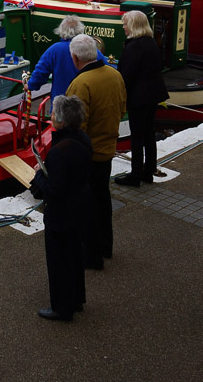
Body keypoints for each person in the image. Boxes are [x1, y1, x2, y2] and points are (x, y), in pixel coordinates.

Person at [65, 34, 126, 270]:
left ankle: (91, 257)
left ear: (75, 57)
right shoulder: (115, 74)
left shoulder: (81, 83)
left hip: (88, 154)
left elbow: (76, 127)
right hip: (107, 149)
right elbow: (121, 109)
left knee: (86, 206)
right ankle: (105, 246)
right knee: (102, 200)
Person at [29, 95, 92, 321]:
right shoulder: (83, 139)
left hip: (61, 214)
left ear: (63, 122)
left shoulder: (59, 151)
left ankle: (62, 308)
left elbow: (54, 189)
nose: (51, 115)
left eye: (54, 113)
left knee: (59, 261)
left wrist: (38, 174)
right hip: (80, 208)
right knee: (75, 256)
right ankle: (76, 300)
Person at [115, 10, 169, 187]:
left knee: (137, 135)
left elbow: (126, 75)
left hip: (139, 97)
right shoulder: (151, 42)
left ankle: (136, 174)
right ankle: (149, 170)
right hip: (153, 94)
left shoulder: (134, 46)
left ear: (133, 25)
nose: (123, 26)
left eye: (125, 24)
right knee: (148, 132)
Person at [26, 16, 106, 101]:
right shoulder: (91, 49)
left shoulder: (54, 50)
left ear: (62, 32)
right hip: (86, 101)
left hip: (61, 104)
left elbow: (40, 73)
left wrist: (30, 85)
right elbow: (106, 69)